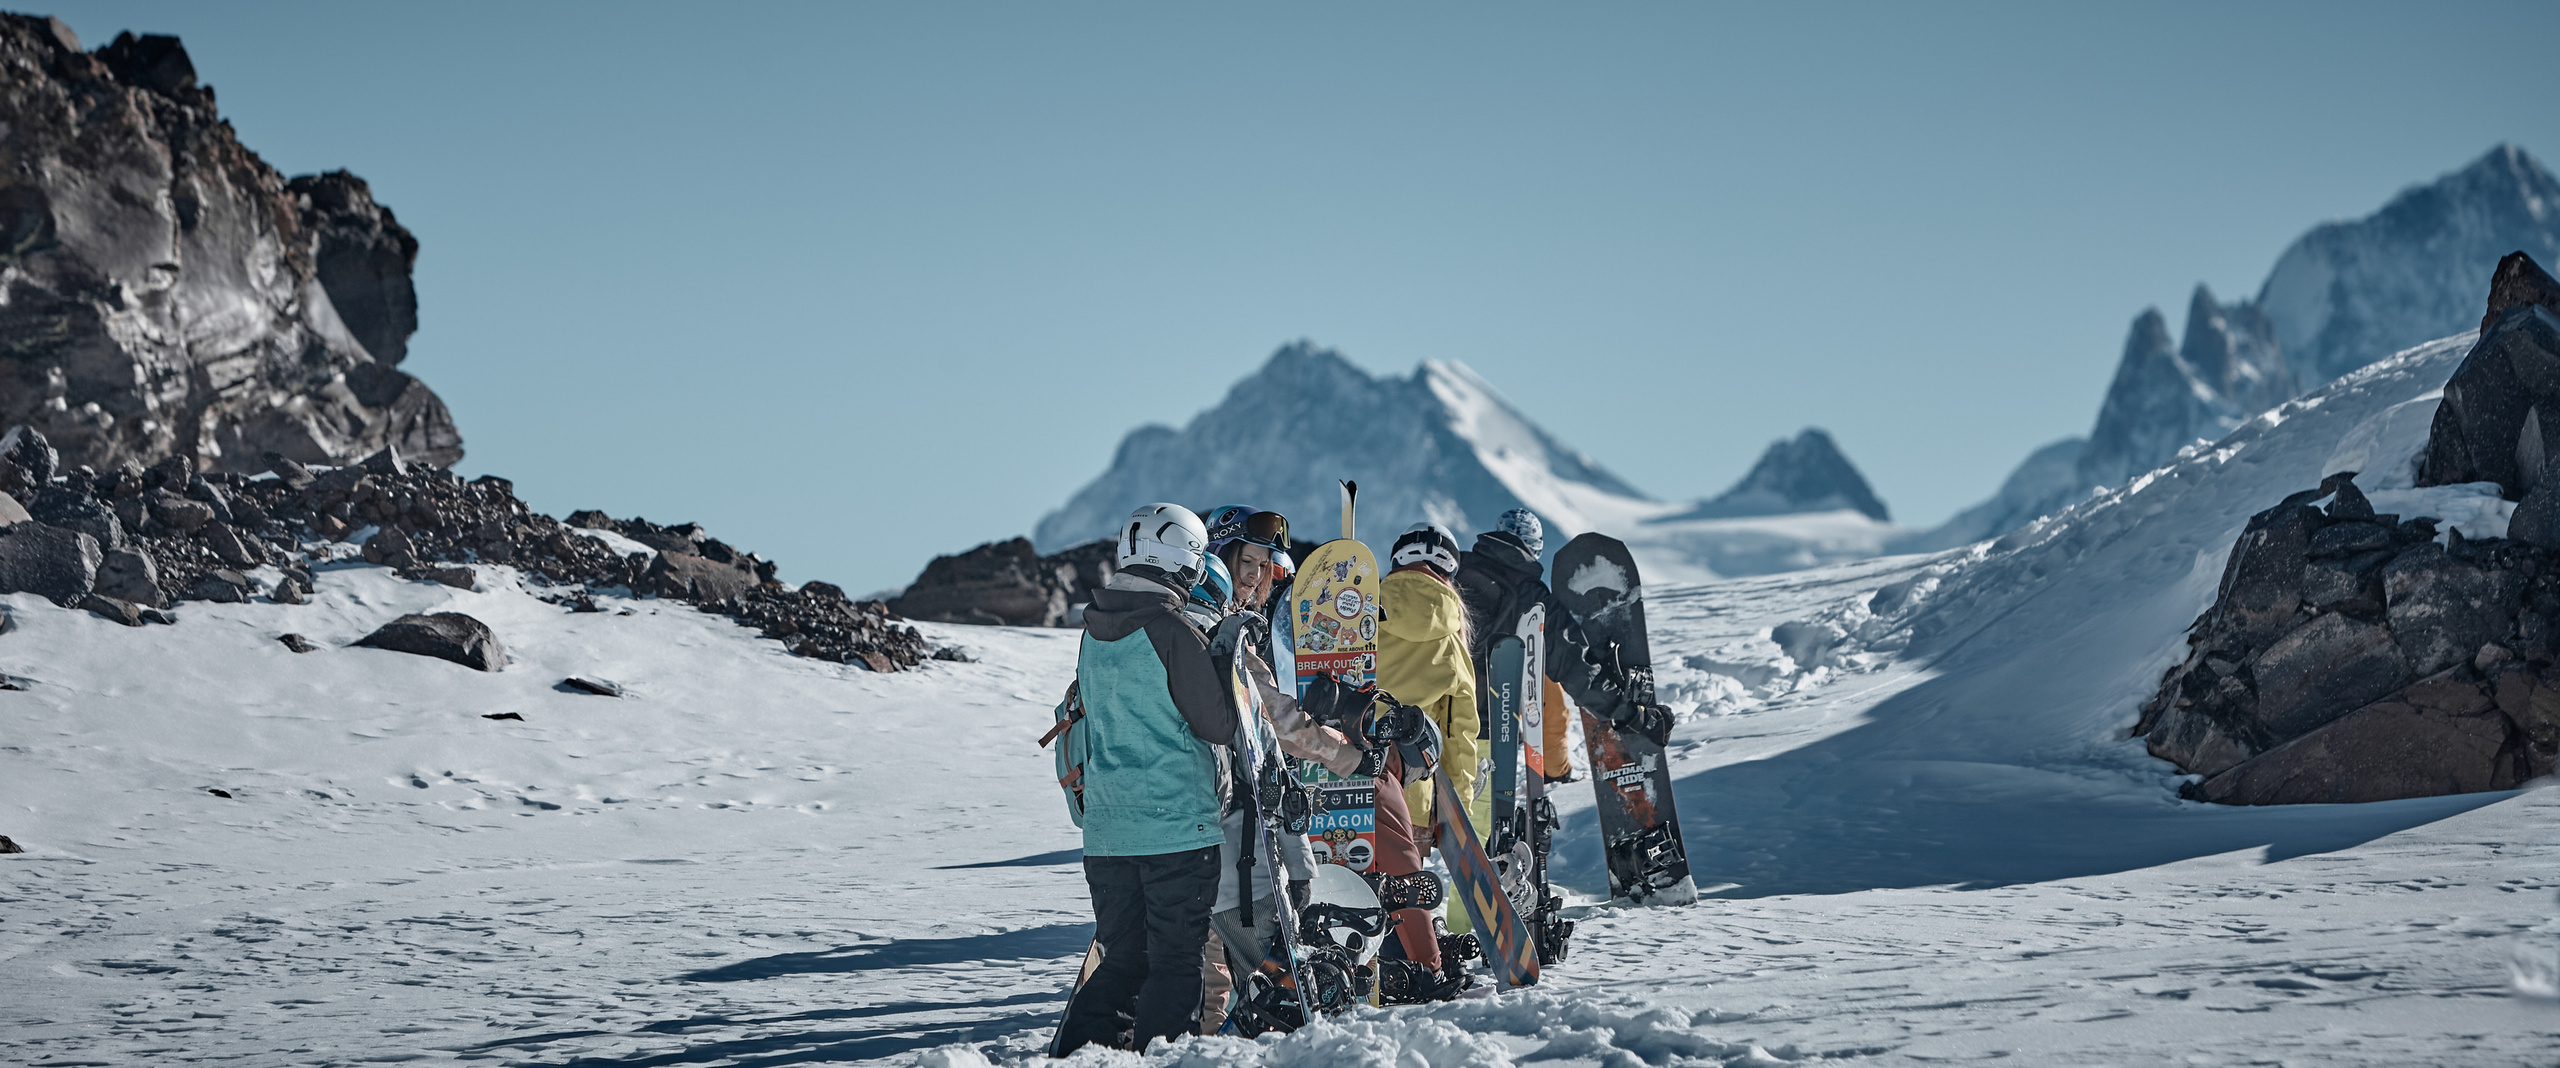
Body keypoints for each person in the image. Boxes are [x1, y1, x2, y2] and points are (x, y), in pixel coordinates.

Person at [1050, 503, 1237, 1055]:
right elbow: (1218, 724)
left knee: (1124, 962)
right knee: (1176, 964)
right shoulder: (1172, 629)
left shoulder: (1092, 633)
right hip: (1175, 829)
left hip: (1107, 834)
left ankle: (1077, 1059)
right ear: (1184, 558)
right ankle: (1161, 1060)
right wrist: (1223, 659)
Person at [1453, 508, 1672, 777]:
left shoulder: (1454, 570)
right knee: (1474, 804)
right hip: (1482, 731)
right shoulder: (1530, 597)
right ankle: (1556, 772)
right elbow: (1574, 667)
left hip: (1424, 723)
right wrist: (1632, 715)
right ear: (1535, 548)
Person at [1375, 522, 1488, 976]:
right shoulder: (1451, 632)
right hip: (1414, 790)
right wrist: (1456, 805)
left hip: (1349, 770)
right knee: (1405, 887)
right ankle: (1409, 966)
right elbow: (1461, 729)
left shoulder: (1363, 610)